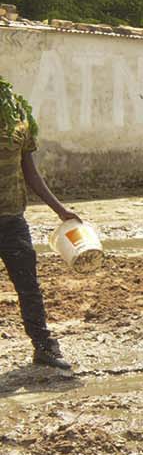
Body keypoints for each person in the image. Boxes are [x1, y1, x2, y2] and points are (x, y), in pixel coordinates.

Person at [0, 79, 78, 369]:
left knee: (28, 286)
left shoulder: (16, 116)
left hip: (11, 219)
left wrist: (60, 210)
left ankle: (44, 347)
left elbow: (29, 171)